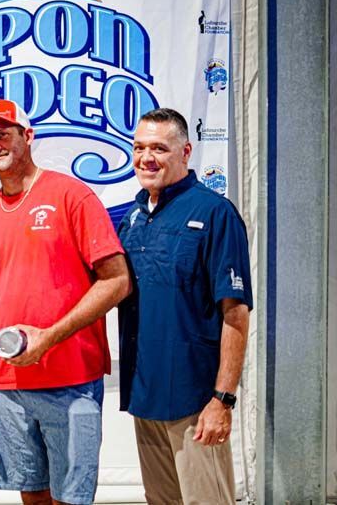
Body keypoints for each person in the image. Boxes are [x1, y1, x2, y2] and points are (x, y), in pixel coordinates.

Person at [0, 99, 131, 505]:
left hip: (70, 382)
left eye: (3, 134)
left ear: (28, 136)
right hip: (5, 390)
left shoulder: (71, 196)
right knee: (31, 496)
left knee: (71, 499)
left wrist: (50, 337)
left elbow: (117, 281)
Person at [117, 107, 252, 505]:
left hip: (195, 403)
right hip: (145, 398)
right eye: (139, 147)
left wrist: (222, 401)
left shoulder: (214, 213)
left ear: (186, 152)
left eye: (159, 148)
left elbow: (235, 314)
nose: (146, 158)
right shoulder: (133, 218)